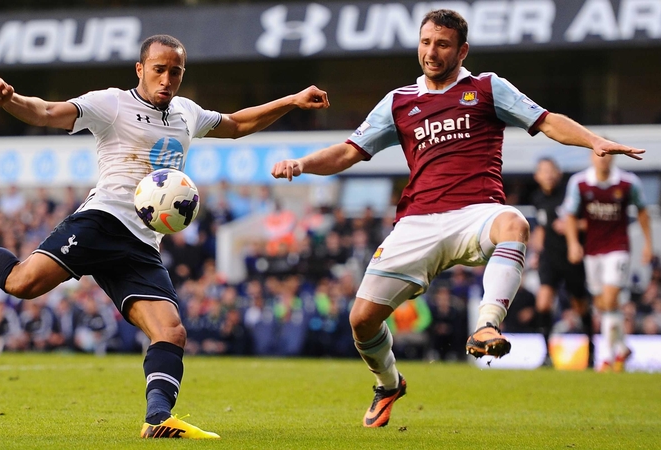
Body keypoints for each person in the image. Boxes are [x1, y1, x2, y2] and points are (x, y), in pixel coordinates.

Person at [0, 34, 329, 439]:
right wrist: (11, 102)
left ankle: (158, 418)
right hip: (101, 222)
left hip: (143, 243)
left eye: (175, 71)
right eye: (158, 69)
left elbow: (235, 124)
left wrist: (291, 100)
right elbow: (47, 112)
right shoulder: (111, 104)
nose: (167, 79)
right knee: (22, 284)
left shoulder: (187, 113)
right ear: (139, 69)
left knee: (171, 331)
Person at [270, 9, 644, 428]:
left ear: (462, 50)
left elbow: (546, 121)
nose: (432, 52)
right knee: (361, 320)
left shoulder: (487, 88)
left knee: (514, 223)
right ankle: (389, 384)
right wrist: (301, 164)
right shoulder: (398, 101)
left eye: (443, 44)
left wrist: (593, 140)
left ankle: (486, 327)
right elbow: (347, 151)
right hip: (417, 222)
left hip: (477, 211)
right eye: (426, 42)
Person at [563, 152, 652, 372]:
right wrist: (573, 243)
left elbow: (642, 211)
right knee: (602, 304)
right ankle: (621, 347)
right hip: (592, 250)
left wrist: (648, 244)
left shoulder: (628, 182)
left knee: (611, 300)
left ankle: (607, 358)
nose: (602, 159)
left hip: (618, 248)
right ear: (591, 158)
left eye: (607, 155)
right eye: (598, 155)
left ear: (613, 158)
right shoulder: (580, 182)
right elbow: (570, 215)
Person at [530, 157, 593, 367]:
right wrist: (536, 249)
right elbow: (541, 226)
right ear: (536, 176)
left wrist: (571, 227)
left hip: (572, 256)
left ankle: (592, 349)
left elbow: (589, 221)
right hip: (549, 258)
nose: (547, 175)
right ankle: (547, 354)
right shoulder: (537, 197)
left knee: (580, 305)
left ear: (558, 173)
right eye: (543, 171)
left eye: (551, 171)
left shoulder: (570, 194)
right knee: (543, 302)